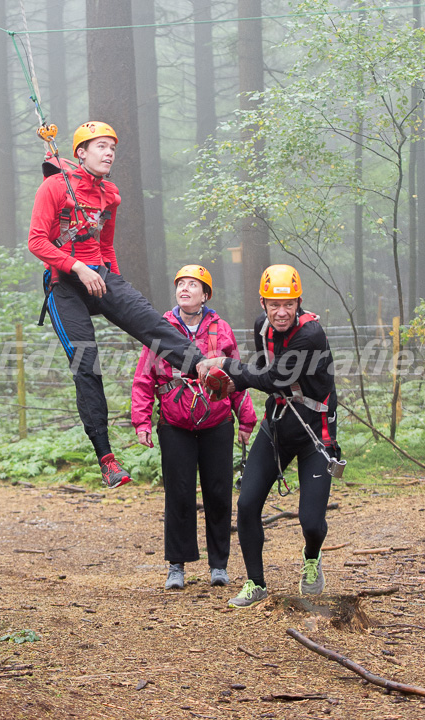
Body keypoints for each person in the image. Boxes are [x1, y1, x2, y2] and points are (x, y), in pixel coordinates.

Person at [28, 122, 218, 489]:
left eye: (112, 147)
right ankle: (107, 459)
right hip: (63, 285)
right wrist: (78, 267)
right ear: (80, 152)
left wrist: (116, 286)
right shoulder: (53, 187)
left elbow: (106, 246)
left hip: (98, 275)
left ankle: (205, 368)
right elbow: (37, 242)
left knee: (149, 320)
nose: (109, 153)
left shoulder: (109, 194)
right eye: (100, 146)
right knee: (87, 363)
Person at [197, 264, 342, 606]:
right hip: (278, 425)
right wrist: (236, 382)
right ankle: (256, 582)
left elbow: (273, 378)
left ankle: (311, 558)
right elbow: (264, 373)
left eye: (289, 304)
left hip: (314, 433)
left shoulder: (311, 334)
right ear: (263, 303)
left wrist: (227, 366)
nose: (281, 312)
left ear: (299, 302)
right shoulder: (261, 327)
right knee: (247, 505)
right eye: (274, 305)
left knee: (311, 520)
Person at [131, 265, 257, 589]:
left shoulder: (221, 330)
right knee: (179, 493)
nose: (185, 289)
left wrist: (246, 419)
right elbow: (144, 377)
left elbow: (237, 377)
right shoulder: (159, 329)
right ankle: (177, 565)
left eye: (193, 285)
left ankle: (219, 565)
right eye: (181, 284)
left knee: (218, 492)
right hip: (174, 423)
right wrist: (141, 420)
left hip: (217, 421)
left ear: (205, 295)